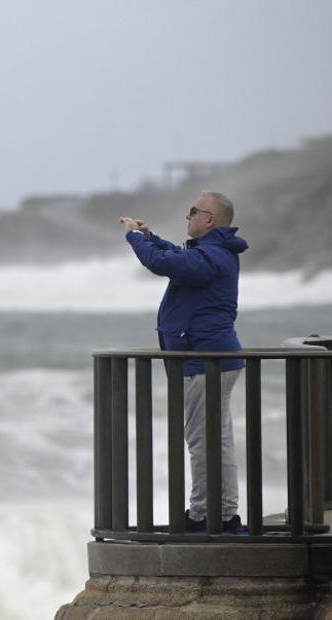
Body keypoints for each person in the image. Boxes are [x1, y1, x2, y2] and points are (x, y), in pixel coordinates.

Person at [119, 191, 248, 533]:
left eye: (194, 211)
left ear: (210, 220)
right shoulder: (212, 254)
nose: (188, 216)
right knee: (215, 440)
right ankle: (223, 514)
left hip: (205, 359)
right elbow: (174, 255)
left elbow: (164, 264)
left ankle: (203, 516)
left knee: (203, 442)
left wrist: (134, 238)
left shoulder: (213, 257)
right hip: (211, 358)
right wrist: (150, 237)